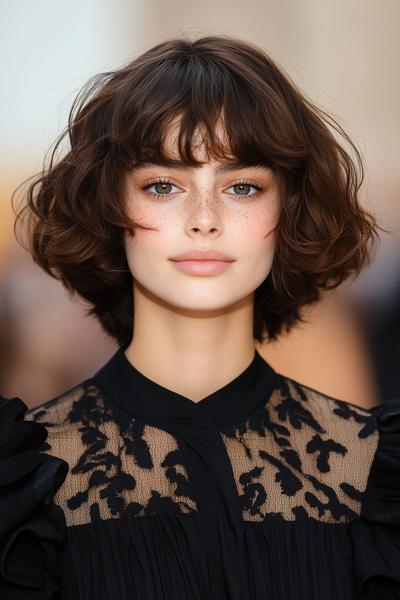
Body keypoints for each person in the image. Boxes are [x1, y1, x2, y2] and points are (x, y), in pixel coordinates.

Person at [1, 35, 399, 600]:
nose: (204, 219)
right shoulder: (26, 478)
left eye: (242, 187)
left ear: (288, 210)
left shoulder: (376, 474)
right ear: (111, 208)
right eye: (163, 185)